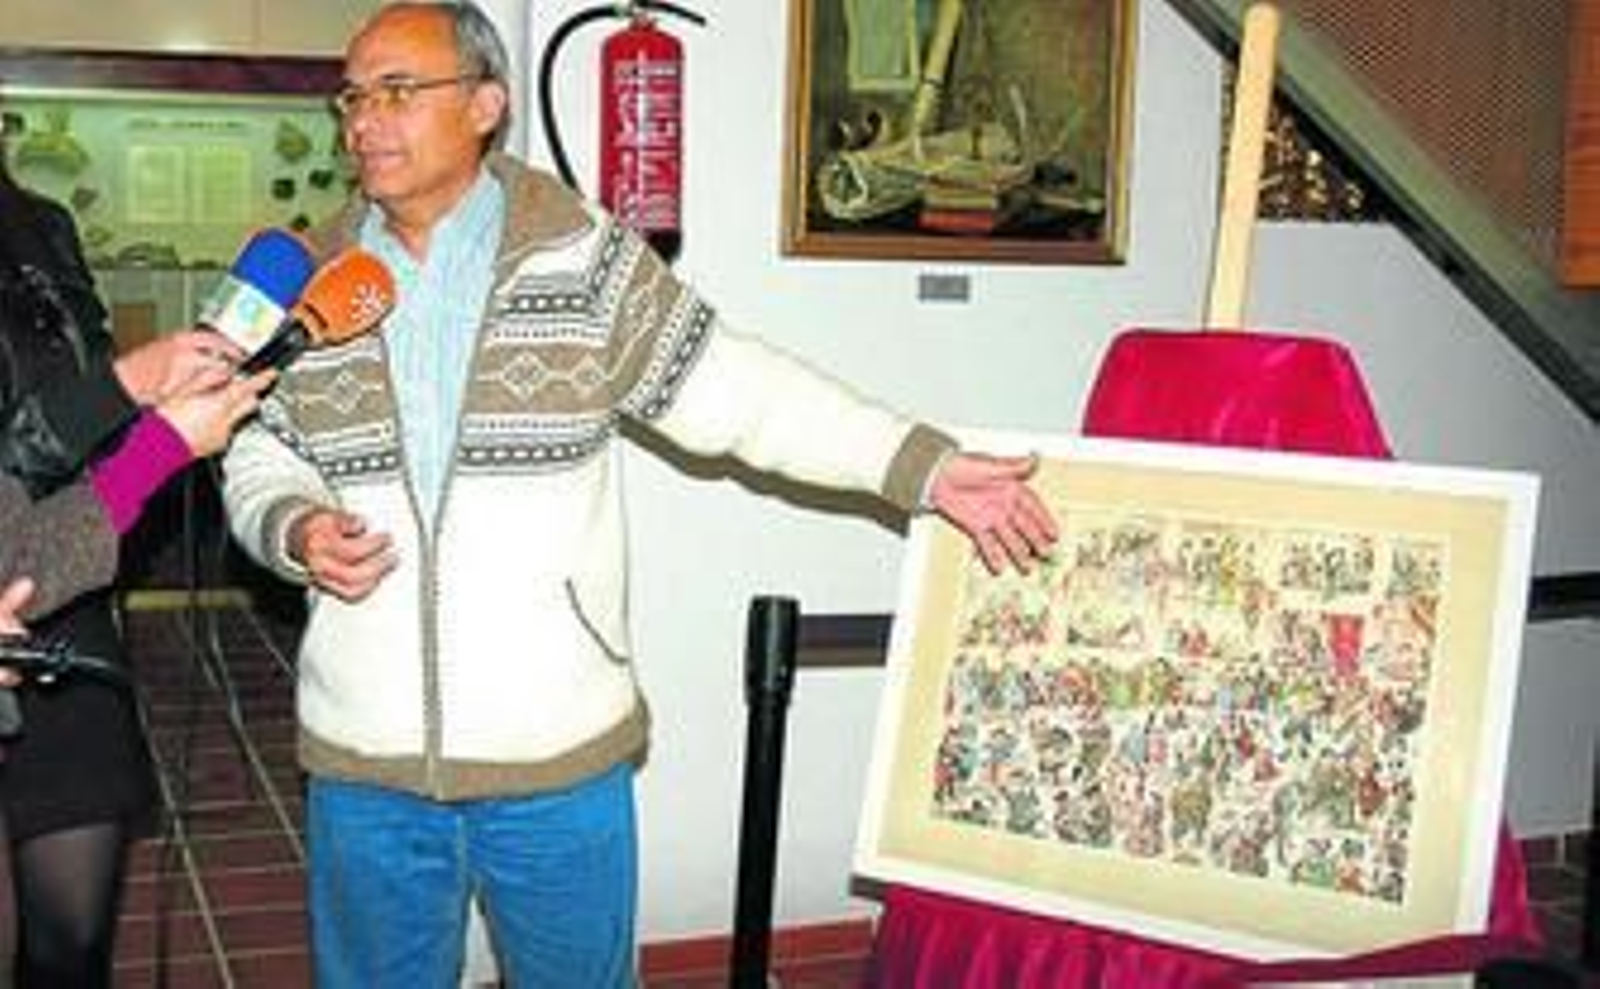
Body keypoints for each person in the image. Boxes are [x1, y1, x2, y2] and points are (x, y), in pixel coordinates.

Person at [219, 3, 1058, 985]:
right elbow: (255, 447)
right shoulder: (310, 281)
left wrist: (920, 465)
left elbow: (741, 390)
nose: (364, 120)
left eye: (398, 91)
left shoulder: (583, 257)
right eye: (353, 97)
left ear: (486, 105)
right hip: (364, 765)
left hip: (558, 760)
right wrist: (293, 524)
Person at [0, 125, 272, 986]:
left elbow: (62, 429)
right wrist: (134, 400)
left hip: (63, 592)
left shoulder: (42, 224)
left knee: (72, 939)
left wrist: (155, 403)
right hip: (37, 544)